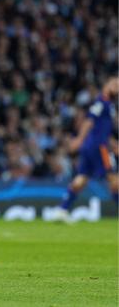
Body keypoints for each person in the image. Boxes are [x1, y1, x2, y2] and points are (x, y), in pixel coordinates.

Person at [53, 77, 118, 222]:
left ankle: (62, 209)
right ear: (106, 85)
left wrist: (113, 144)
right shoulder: (102, 102)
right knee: (114, 178)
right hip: (99, 147)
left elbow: (102, 129)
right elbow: (89, 121)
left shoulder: (108, 104)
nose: (117, 87)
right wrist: (79, 139)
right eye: (115, 83)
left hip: (93, 145)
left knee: (81, 178)